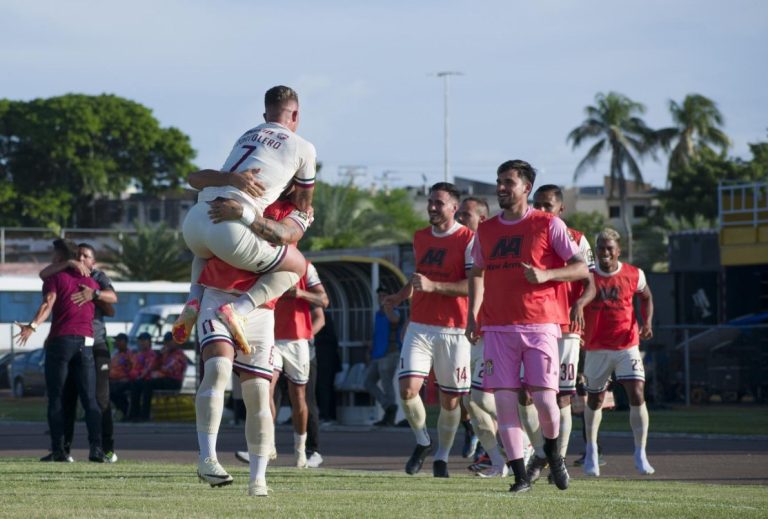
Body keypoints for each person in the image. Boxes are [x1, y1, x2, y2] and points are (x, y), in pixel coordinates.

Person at [466, 160, 589, 493]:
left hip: (540, 327)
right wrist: (472, 315)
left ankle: (553, 456)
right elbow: (476, 272)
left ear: (526, 188)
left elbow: (581, 269)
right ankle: (520, 476)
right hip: (497, 329)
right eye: (499, 181)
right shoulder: (487, 229)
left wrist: (547, 275)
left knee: (546, 402)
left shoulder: (548, 224)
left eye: (509, 182)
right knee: (505, 402)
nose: (501, 187)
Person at [175, 85, 317, 353]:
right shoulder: (303, 147)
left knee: (205, 249)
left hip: (195, 223)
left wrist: (230, 179)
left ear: (265, 116)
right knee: (296, 267)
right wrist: (302, 209)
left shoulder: (248, 134)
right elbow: (303, 203)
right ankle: (240, 310)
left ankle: (193, 299)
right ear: (295, 115)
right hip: (231, 227)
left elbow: (193, 178)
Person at [194, 195, 311, 497]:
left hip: (262, 310)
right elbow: (200, 250)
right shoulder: (230, 191)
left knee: (259, 393)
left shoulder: (295, 210)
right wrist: (192, 300)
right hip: (218, 295)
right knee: (218, 367)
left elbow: (287, 240)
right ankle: (207, 459)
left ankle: (258, 479)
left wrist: (245, 213)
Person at [384, 182, 474, 478]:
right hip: (419, 326)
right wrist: (398, 297)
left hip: (454, 330)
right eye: (430, 202)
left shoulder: (468, 239)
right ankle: (423, 442)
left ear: (454, 208)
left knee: (451, 401)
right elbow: (418, 277)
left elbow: (474, 286)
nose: (432, 207)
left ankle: (442, 458)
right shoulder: (420, 237)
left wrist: (435, 287)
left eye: (439, 203)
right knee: (407, 390)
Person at [519, 185, 596, 483]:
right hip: (532, 325)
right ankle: (541, 452)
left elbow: (590, 282)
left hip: (565, 329)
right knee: (525, 394)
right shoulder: (524, 235)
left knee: (561, 398)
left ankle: (556, 460)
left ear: (560, 209)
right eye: (537, 204)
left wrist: (579, 302)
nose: (541, 209)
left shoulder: (576, 239)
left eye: (547, 205)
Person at [14, 239, 105, 463]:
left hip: (61, 340)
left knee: (56, 398)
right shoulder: (90, 282)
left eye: (53, 254)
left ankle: (59, 451)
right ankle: (96, 449)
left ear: (59, 257)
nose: (51, 258)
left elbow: (48, 303)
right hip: (86, 342)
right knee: (89, 399)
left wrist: (32, 326)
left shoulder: (54, 277)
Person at [581, 228, 655, 477]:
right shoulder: (587, 276)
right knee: (595, 400)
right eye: (600, 247)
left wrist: (647, 323)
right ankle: (591, 449)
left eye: (609, 248)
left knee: (637, 392)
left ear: (618, 250)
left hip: (627, 344)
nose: (604, 252)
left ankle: (640, 453)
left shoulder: (634, 274)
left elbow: (646, 297)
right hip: (596, 347)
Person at [38, 242, 120, 463]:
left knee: (98, 398)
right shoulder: (65, 273)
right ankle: (63, 449)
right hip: (74, 341)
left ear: (93, 261)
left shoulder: (97, 278)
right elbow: (46, 277)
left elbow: (112, 302)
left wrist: (94, 295)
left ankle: (105, 448)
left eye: (86, 256)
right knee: (68, 398)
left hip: (96, 344)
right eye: (79, 255)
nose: (82, 259)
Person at [456, 196, 509, 478]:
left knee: (489, 399)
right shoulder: (469, 246)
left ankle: (523, 447)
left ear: (483, 219)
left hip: (500, 331)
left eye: (466, 215)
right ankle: (497, 458)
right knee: (471, 401)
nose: (460, 219)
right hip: (477, 331)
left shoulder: (495, 245)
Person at [271, 260, 329, 468]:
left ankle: (304, 451)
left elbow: (323, 303)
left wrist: (299, 293)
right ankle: (264, 446)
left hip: (299, 342)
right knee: (265, 391)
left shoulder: (305, 267)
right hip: (270, 338)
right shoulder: (262, 260)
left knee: (301, 397)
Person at [364, 286, 402, 427]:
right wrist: (370, 349)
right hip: (377, 355)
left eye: (385, 295)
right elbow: (376, 334)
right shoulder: (378, 314)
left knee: (387, 383)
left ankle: (390, 415)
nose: (382, 298)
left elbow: (395, 320)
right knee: (368, 382)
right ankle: (389, 407)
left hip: (390, 353)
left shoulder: (393, 311)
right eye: (380, 296)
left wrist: (388, 306)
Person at [132, 332, 188, 420]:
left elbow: (168, 370)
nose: (167, 344)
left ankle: (144, 415)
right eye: (166, 342)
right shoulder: (164, 354)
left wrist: (158, 373)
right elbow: (153, 367)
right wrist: (159, 356)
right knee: (137, 384)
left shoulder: (179, 355)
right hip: (163, 379)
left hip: (174, 382)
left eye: (170, 341)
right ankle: (134, 414)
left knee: (148, 384)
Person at [128, 332, 158, 421]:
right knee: (133, 386)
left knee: (143, 387)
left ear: (149, 342)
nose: (142, 343)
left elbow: (149, 368)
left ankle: (143, 415)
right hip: (138, 379)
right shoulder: (137, 355)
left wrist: (139, 376)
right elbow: (133, 368)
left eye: (144, 340)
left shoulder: (152, 354)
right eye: (141, 341)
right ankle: (133, 415)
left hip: (147, 380)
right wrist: (136, 376)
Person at [109, 333, 134, 419]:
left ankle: (124, 410)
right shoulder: (115, 355)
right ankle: (122, 410)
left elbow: (132, 369)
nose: (117, 342)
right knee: (105, 389)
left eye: (120, 340)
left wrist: (126, 378)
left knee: (116, 390)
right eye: (117, 340)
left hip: (124, 380)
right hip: (112, 380)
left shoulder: (129, 355)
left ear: (126, 342)